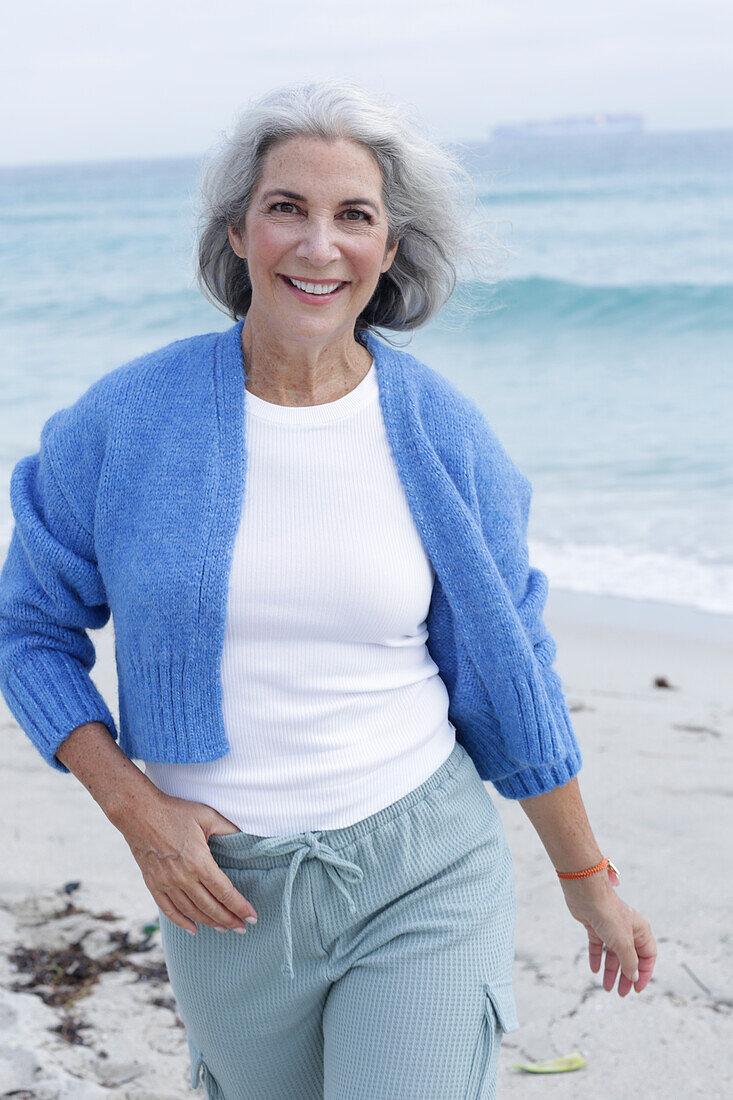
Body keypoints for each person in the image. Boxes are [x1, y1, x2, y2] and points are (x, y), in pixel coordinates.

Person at [0, 80, 656, 1099]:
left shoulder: (443, 434)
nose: (319, 245)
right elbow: (28, 630)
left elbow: (512, 674)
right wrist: (137, 811)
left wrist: (587, 881)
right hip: (224, 893)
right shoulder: (124, 423)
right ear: (237, 233)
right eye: (286, 208)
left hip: (420, 864)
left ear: (389, 250)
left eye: (354, 216)